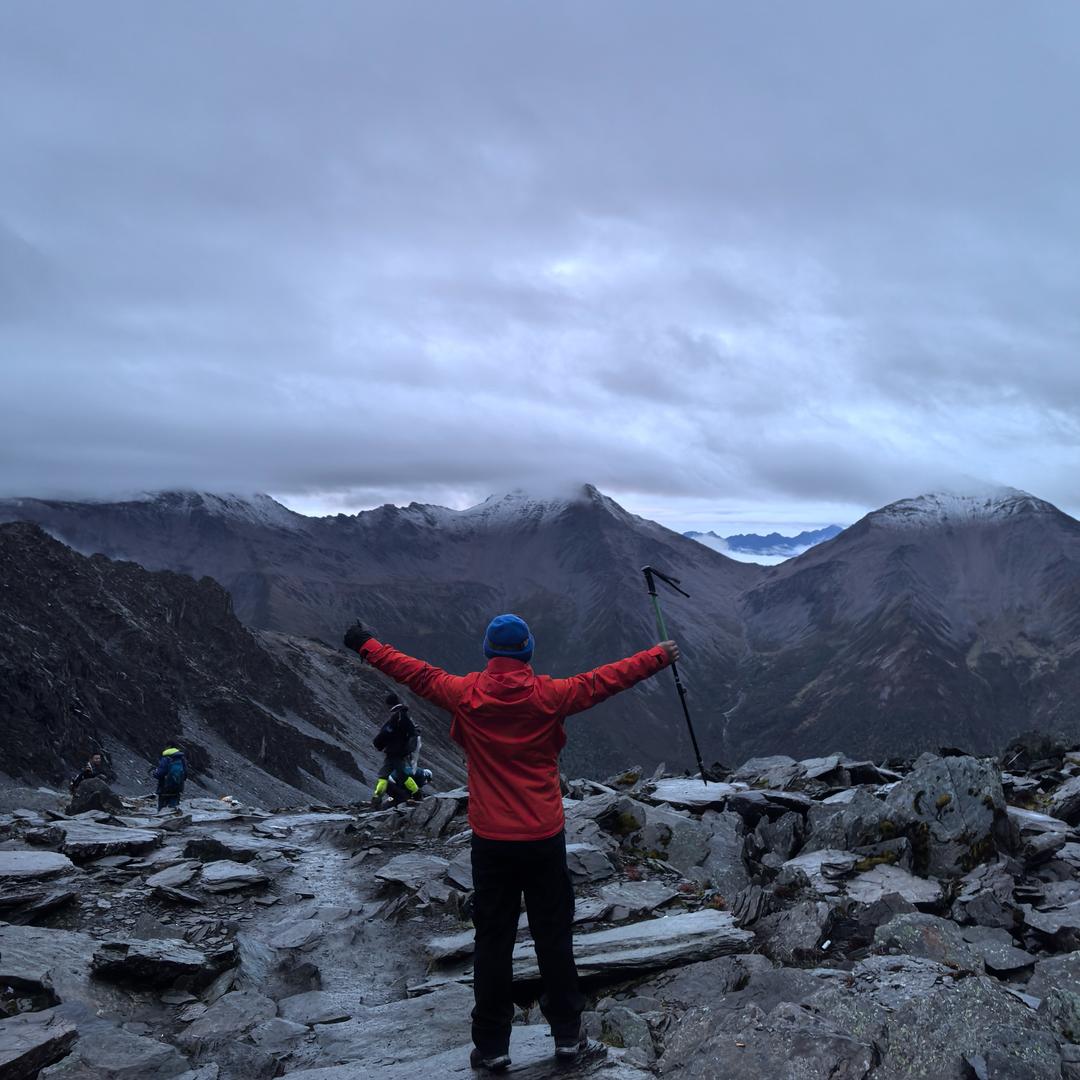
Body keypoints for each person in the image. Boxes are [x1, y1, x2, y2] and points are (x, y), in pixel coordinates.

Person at [344, 613, 678, 1072]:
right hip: (543, 836)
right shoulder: (552, 695)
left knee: (493, 942)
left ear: (488, 652)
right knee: (554, 937)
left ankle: (493, 1045)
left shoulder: (464, 693)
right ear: (527, 652)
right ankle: (566, 1036)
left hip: (492, 841)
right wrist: (659, 656)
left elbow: (412, 670)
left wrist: (365, 644)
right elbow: (607, 679)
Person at [371, 693, 421, 808]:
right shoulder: (403, 716)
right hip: (398, 752)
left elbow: (386, 733)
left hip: (394, 752)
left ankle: (417, 794)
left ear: (389, 704)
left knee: (398, 775)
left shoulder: (397, 717)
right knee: (386, 775)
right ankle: (376, 799)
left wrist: (378, 743)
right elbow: (412, 732)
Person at [153, 746, 187, 810]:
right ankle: (175, 817)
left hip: (164, 789)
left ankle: (162, 817)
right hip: (177, 789)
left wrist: (155, 772)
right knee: (174, 808)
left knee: (162, 810)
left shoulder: (166, 759)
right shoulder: (181, 759)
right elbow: (185, 774)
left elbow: (159, 774)